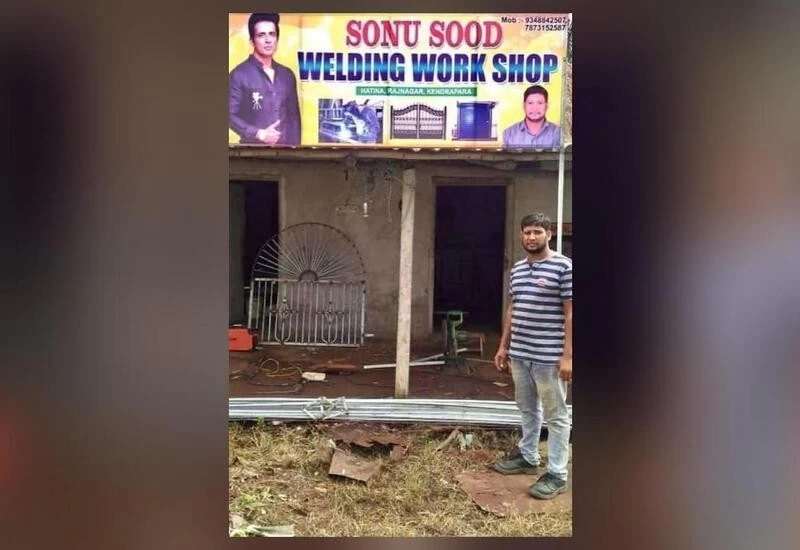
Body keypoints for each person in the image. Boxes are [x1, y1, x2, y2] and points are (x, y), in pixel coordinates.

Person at [492, 213, 573, 500]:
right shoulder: (517, 269)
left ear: (549, 234)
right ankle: (528, 456)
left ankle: (557, 474)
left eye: (537, 231)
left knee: (556, 415)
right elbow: (513, 308)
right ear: (521, 235)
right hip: (520, 353)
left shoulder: (564, 267)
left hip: (548, 356)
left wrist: (568, 356)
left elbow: (571, 312)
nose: (531, 237)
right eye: (527, 232)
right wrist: (504, 346)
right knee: (527, 407)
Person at [229, 13, 301, 146]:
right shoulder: (239, 75)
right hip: (253, 153)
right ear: (252, 41)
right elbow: (229, 115)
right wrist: (258, 133)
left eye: (272, 34)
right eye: (261, 35)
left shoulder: (287, 75)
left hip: (286, 153)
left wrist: (296, 151)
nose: (268, 40)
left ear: (277, 39)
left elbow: (294, 120)